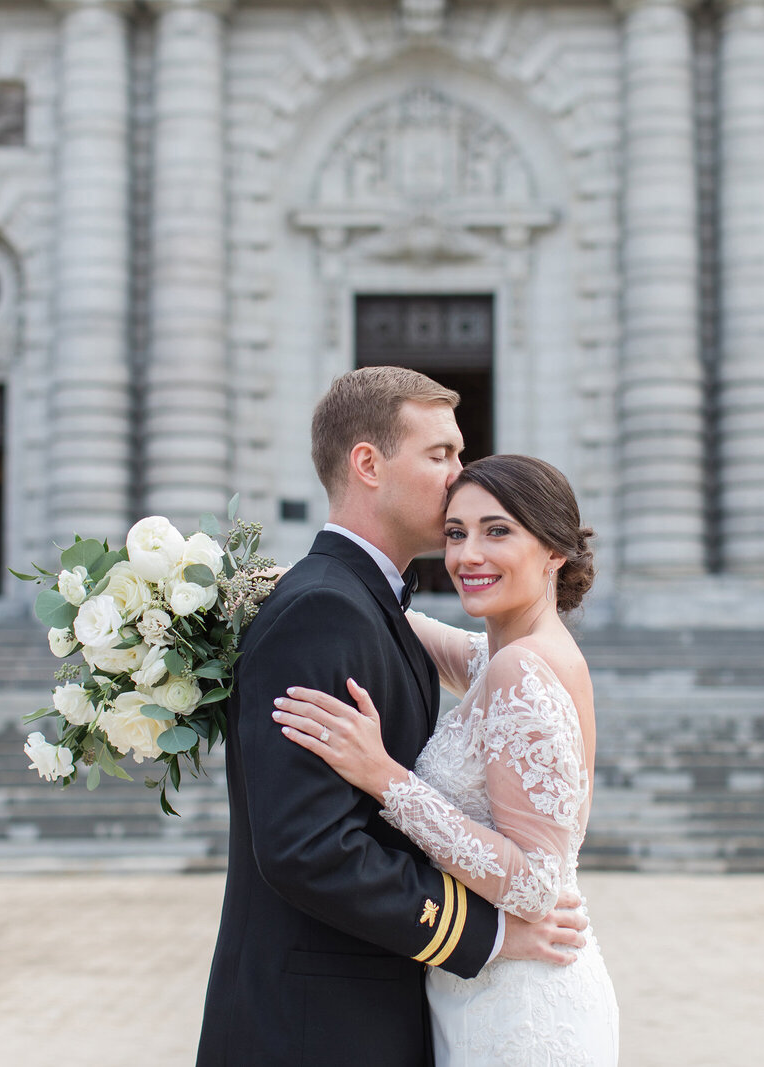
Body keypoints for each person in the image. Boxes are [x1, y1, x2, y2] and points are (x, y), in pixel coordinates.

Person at [197, 369, 589, 1067]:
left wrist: (385, 777)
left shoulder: (364, 606)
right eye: (441, 454)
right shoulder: (326, 609)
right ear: (368, 464)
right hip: (315, 1031)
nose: (458, 477)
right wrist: (485, 935)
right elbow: (307, 847)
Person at [274, 453, 620, 1065]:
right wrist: (280, 582)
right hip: (489, 986)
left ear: (554, 552)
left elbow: (536, 884)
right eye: (456, 533)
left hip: (521, 1003)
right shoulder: (508, 655)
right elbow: (403, 621)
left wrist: (385, 778)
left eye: (498, 531)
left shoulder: (521, 668)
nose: (468, 556)